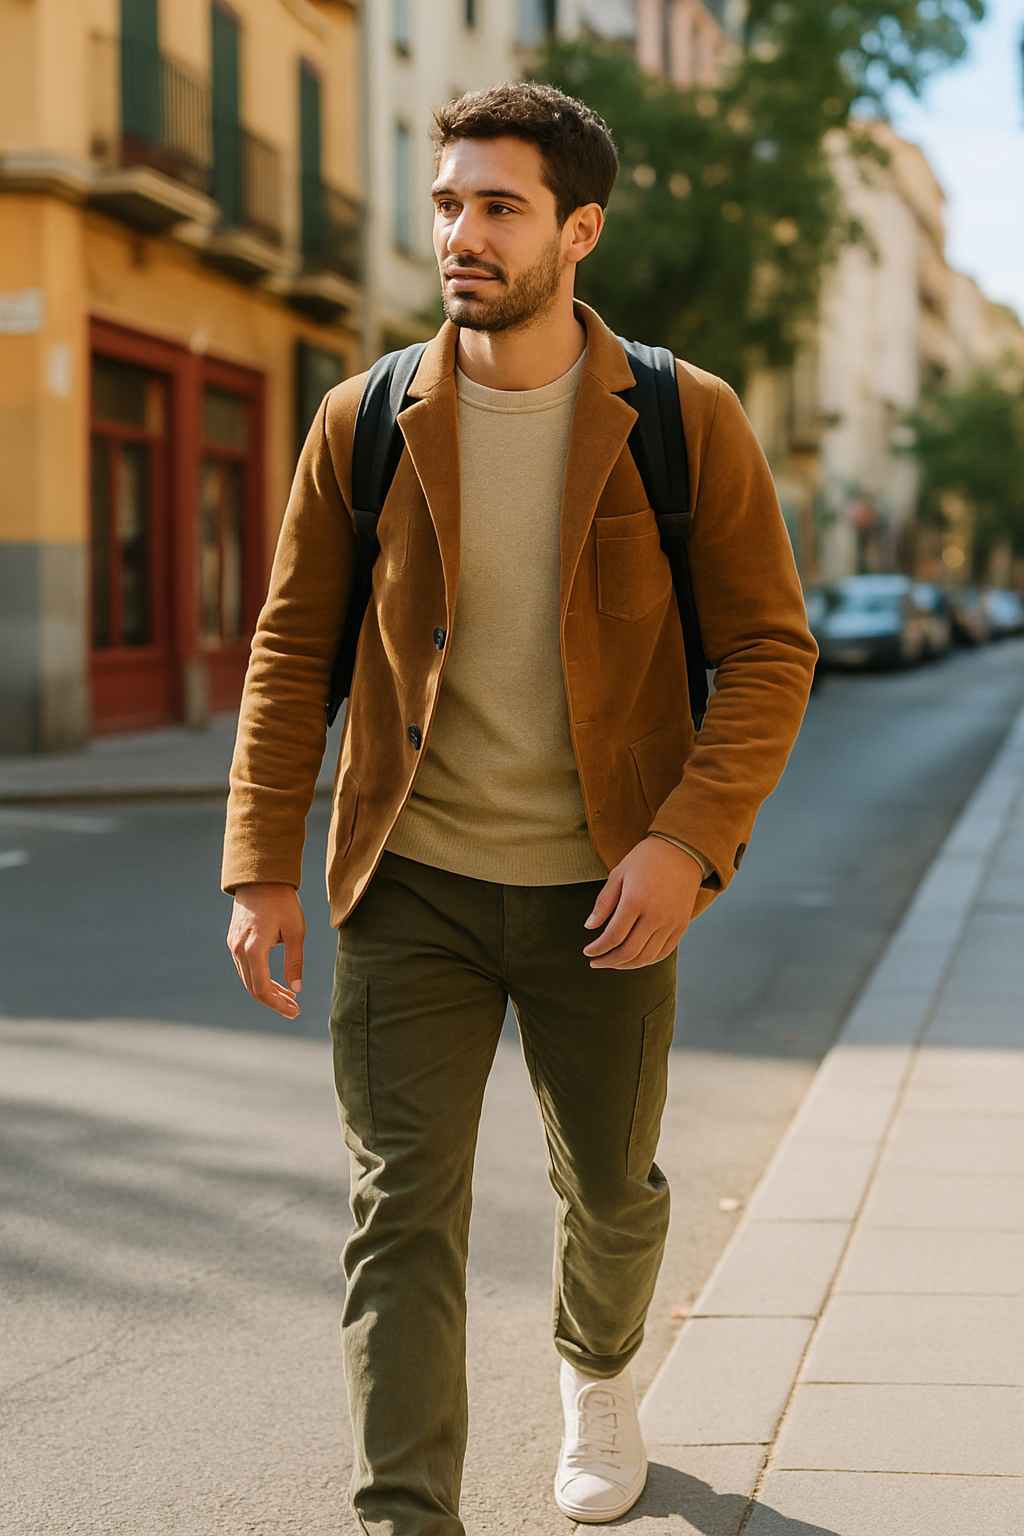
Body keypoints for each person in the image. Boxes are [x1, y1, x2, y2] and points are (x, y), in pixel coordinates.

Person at [223, 81, 816, 1536]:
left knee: (611, 1193)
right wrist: (260, 862)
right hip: (409, 882)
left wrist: (684, 842)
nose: (462, 235)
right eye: (448, 204)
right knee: (400, 1215)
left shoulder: (684, 417)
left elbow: (769, 650)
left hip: (604, 887)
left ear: (579, 230)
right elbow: (293, 649)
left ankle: (596, 1371)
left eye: (499, 207)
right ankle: (404, 1515)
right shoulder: (365, 419)